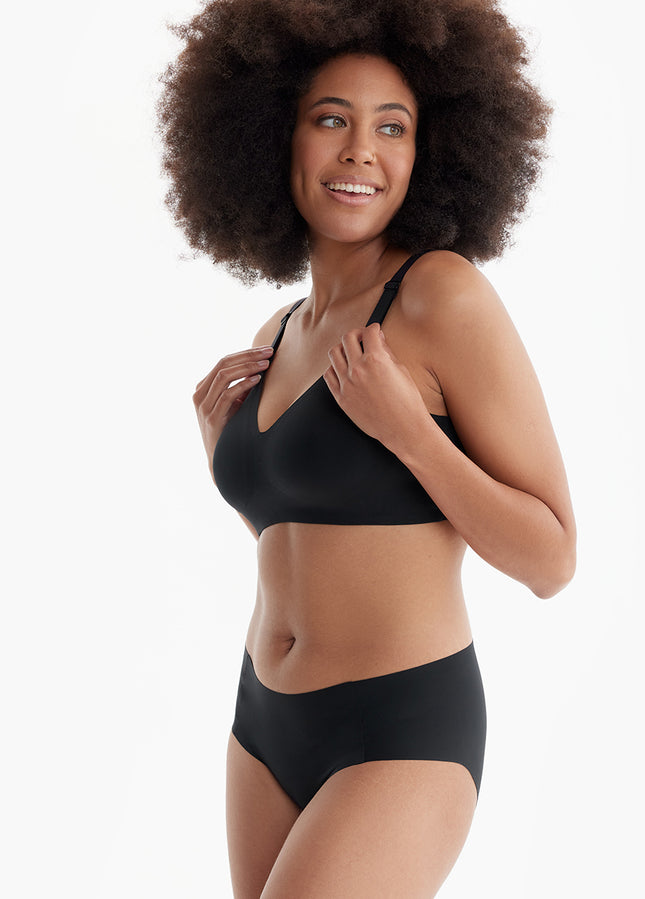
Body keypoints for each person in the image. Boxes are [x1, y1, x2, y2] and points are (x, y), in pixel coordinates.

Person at [158, 0, 576, 895]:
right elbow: (336, 531)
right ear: (276, 135)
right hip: (261, 723)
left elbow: (552, 558)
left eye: (392, 127)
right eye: (331, 120)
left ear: (429, 153)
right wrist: (235, 466)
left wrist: (411, 434)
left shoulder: (439, 297)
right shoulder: (278, 331)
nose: (360, 151)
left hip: (399, 724)